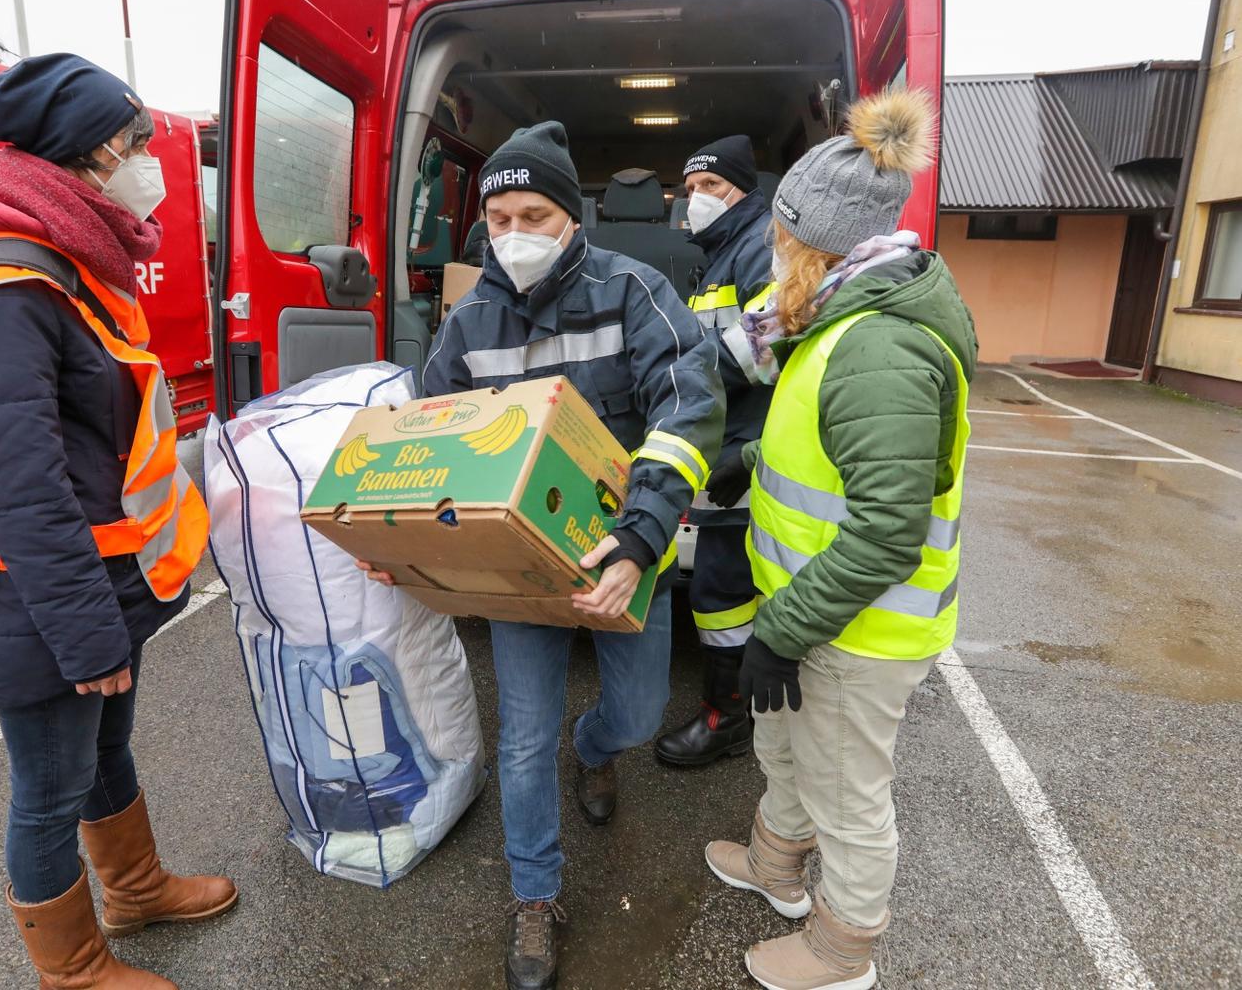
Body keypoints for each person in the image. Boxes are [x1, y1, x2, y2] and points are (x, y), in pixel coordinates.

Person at [0, 54, 231, 989]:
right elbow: (20, 487)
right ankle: (71, 971)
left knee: (105, 748)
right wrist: (84, 633)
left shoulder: (60, 254)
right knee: (50, 789)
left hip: (97, 577)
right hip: (34, 593)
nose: (149, 158)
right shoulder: (4, 284)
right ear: (92, 150)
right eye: (138, 140)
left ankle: (136, 888)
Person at [359, 121, 724, 990]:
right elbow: (427, 438)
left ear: (572, 217)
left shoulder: (634, 292)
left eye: (534, 213)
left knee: (635, 716)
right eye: (497, 215)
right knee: (521, 741)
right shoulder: (470, 320)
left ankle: (594, 747)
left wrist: (638, 541)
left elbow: (688, 411)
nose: (512, 232)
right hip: (521, 573)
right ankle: (535, 895)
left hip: (622, 554)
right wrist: (397, 539)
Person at [700, 87, 975, 990]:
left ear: (819, 246)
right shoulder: (838, 313)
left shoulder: (881, 350)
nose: (774, 254)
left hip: (859, 629)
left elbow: (888, 533)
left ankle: (841, 949)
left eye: (784, 239)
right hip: (814, 611)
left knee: (848, 793)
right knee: (785, 749)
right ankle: (777, 868)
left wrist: (781, 630)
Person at [654, 134, 775, 768]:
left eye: (711, 187)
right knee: (723, 585)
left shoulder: (759, 247)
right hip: (727, 440)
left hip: (750, 448)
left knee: (723, 591)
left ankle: (729, 719)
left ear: (743, 192)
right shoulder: (724, 251)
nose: (696, 199)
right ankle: (739, 709)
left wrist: (678, 378)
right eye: (690, 188)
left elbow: (773, 339)